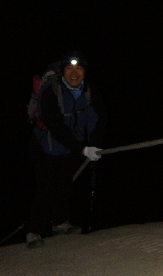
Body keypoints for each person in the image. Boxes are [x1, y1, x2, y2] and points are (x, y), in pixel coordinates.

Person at [26, 50, 108, 249]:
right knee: (46, 188)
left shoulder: (90, 91)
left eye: (79, 68)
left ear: (85, 72)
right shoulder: (50, 92)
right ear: (62, 71)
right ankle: (34, 231)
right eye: (69, 68)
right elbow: (55, 126)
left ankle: (60, 223)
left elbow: (98, 119)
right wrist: (82, 150)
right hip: (44, 146)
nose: (74, 73)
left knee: (65, 185)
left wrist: (95, 145)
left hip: (71, 148)